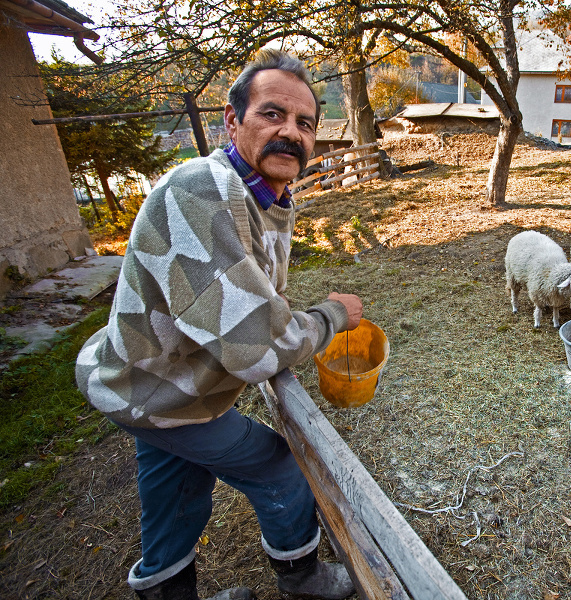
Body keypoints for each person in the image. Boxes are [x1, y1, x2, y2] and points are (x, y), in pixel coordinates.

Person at [76, 49, 362, 600]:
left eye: (305, 123)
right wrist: (331, 316)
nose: (291, 133)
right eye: (271, 114)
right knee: (280, 466)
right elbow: (256, 345)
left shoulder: (265, 199)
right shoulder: (202, 191)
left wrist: (280, 316)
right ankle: (303, 578)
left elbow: (253, 299)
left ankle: (165, 591)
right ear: (231, 121)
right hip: (159, 389)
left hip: (151, 384)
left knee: (176, 485)